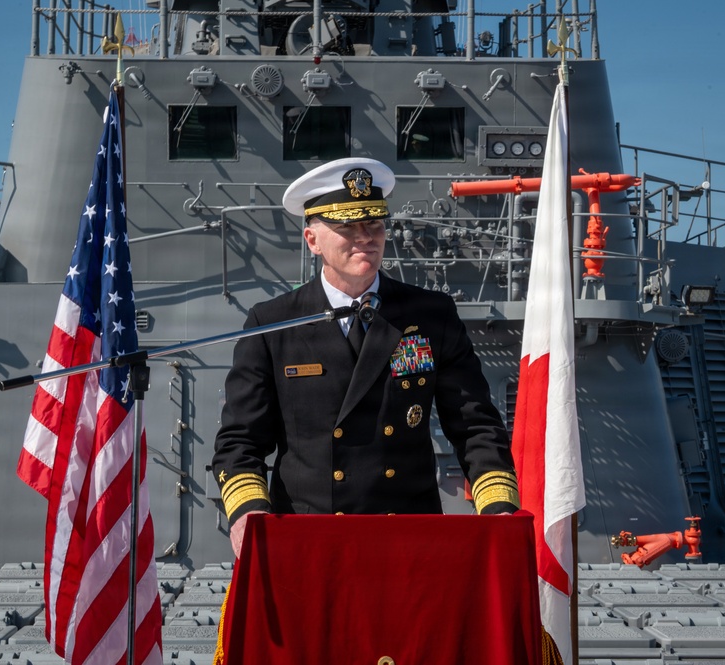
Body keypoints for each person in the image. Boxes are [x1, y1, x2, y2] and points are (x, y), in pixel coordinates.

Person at [212, 157, 519, 557]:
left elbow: (475, 425)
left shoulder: (431, 315)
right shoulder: (273, 324)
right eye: (347, 226)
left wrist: (497, 508)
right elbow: (240, 441)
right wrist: (248, 514)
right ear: (312, 240)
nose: (365, 237)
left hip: (409, 540)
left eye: (374, 224)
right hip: (309, 541)